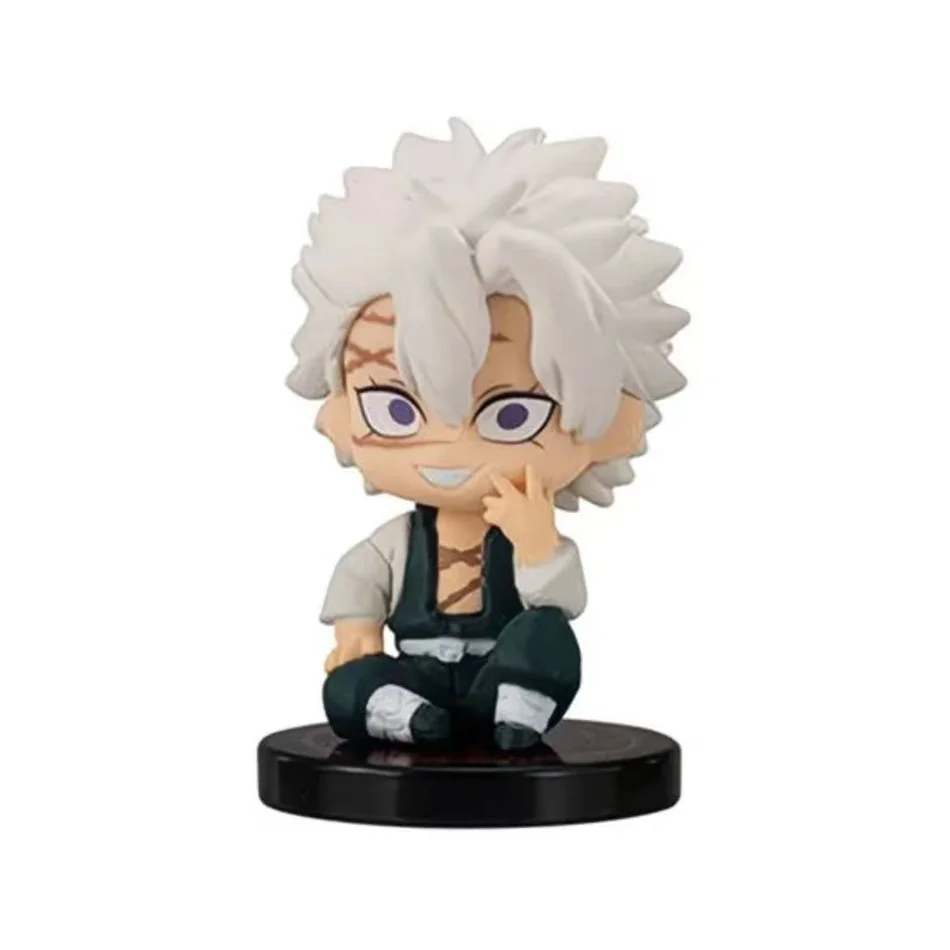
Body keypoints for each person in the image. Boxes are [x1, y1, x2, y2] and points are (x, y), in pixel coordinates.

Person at [287, 120, 687, 749]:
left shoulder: (523, 534)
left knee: (547, 634)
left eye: (512, 415)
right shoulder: (396, 545)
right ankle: (407, 716)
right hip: (416, 670)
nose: (447, 449)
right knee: (347, 686)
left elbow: (560, 598)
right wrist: (356, 628)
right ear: (338, 412)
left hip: (502, 667)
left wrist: (537, 545)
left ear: (613, 423)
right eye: (395, 409)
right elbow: (359, 579)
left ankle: (516, 711)